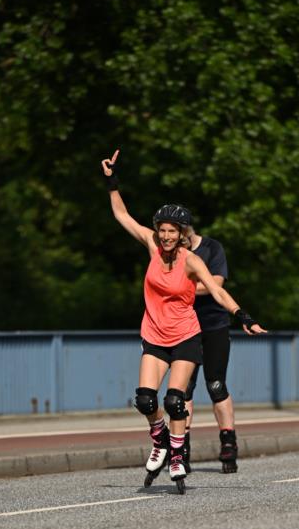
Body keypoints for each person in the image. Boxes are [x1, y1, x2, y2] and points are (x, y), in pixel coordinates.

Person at [100, 149, 266, 491]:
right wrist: (111, 181)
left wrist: (242, 315)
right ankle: (160, 440)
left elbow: (218, 292)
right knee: (146, 399)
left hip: (186, 337)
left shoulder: (192, 261)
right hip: (155, 336)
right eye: (161, 230)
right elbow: (122, 216)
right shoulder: (151, 246)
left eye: (171, 231)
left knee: (176, 400)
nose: (164, 236)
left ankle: (176, 456)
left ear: (182, 233)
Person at [182, 224, 240, 473]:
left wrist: (183, 286)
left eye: (178, 235)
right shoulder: (171, 254)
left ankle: (228, 442)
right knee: (183, 390)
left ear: (187, 232)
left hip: (214, 325)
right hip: (184, 327)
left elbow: (215, 284)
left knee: (216, 385)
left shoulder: (212, 248)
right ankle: (181, 448)